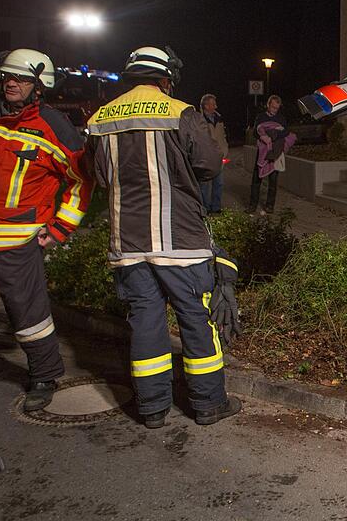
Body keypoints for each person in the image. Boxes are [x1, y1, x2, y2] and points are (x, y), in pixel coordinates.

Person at [86, 46, 240, 428]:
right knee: (194, 318)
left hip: (128, 243)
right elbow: (207, 165)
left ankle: (152, 409)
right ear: (165, 79)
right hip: (181, 242)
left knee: (145, 321)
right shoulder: (179, 112)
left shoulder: (101, 118)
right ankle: (207, 404)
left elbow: (99, 176)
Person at [0, 49, 91, 412]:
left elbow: (81, 181)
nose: (11, 83)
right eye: (8, 77)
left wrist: (59, 228)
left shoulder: (54, 126)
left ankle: (43, 376)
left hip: (16, 240)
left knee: (29, 315)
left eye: (22, 79)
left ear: (39, 86)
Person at [248, 95, 295, 215]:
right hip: (263, 151)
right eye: (273, 107)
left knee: (273, 181)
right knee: (256, 179)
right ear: (268, 105)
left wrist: (273, 135)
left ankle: (270, 206)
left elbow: (285, 132)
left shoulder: (281, 118)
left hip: (276, 151)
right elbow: (255, 132)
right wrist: (263, 136)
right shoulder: (261, 117)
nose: (274, 110)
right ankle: (252, 205)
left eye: (277, 108)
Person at [198, 94, 228, 214]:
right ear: (206, 105)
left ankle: (216, 207)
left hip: (219, 156)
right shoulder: (199, 119)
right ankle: (205, 208)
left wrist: (225, 149)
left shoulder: (219, 118)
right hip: (206, 157)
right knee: (204, 185)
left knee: (219, 183)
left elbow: (223, 136)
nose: (216, 106)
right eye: (213, 104)